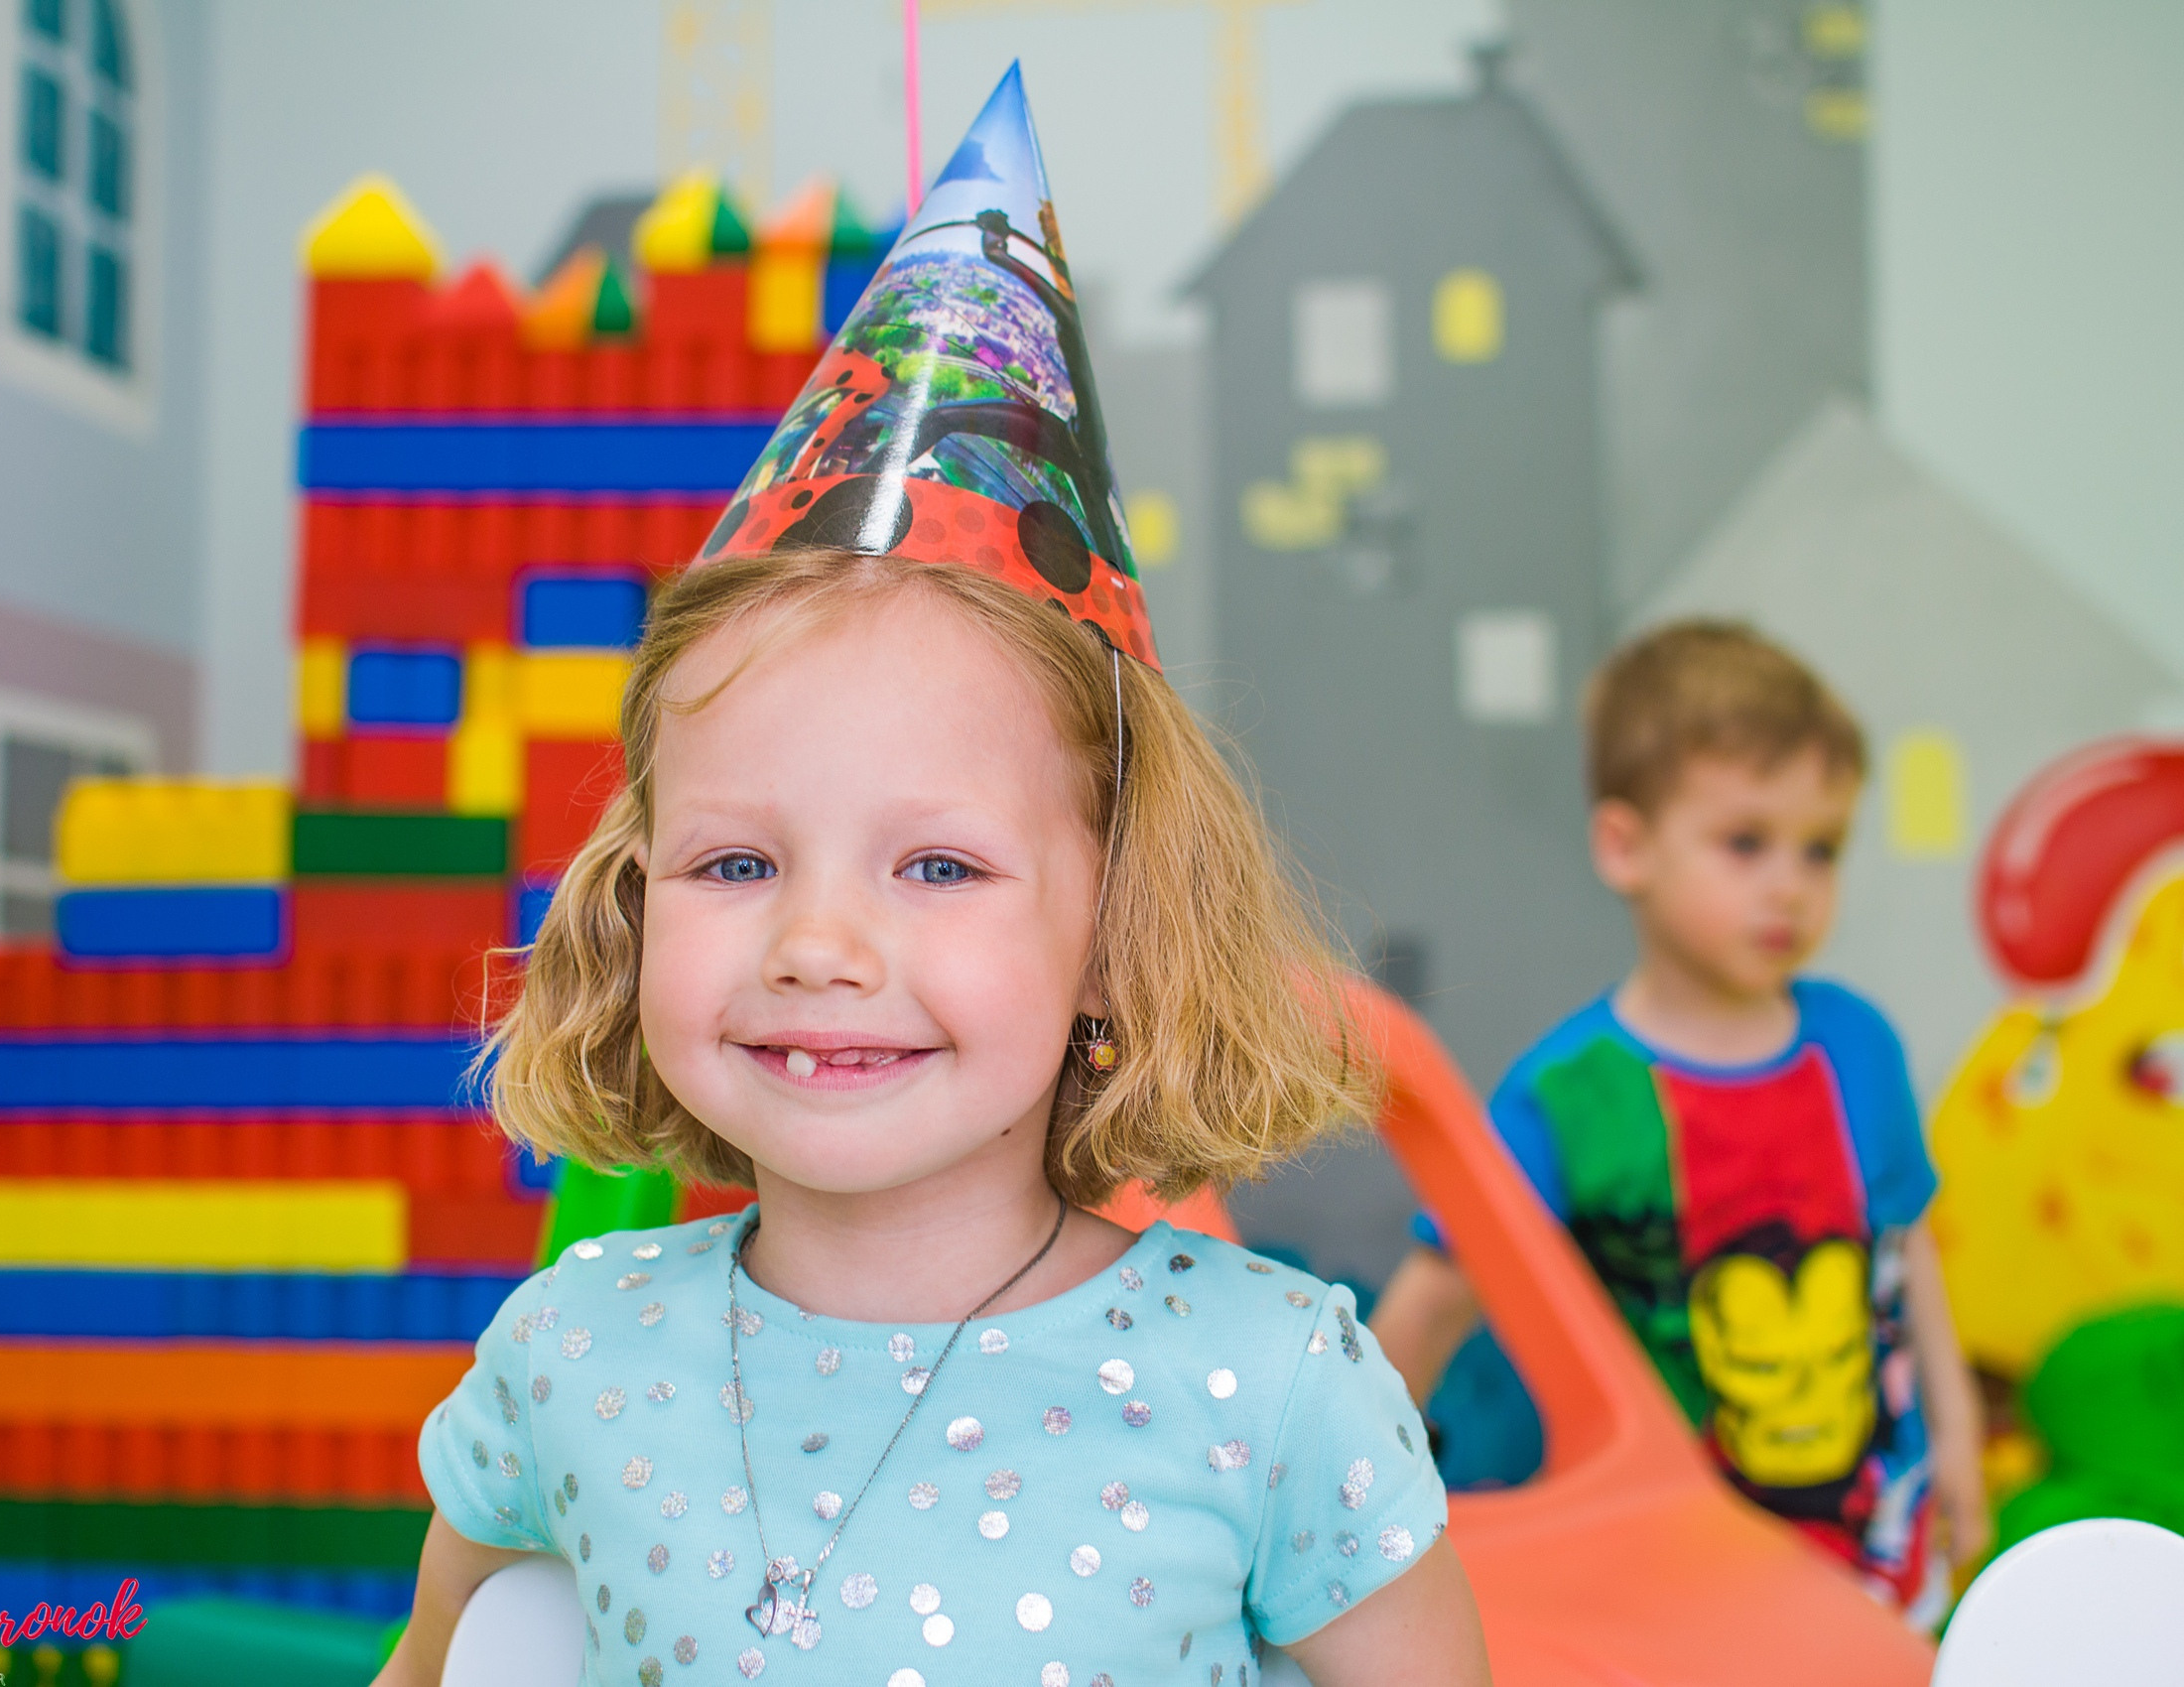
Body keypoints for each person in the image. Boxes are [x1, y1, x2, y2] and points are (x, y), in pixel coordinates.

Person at [374, 546, 1488, 1687]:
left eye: (940, 866)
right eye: (738, 860)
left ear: (1112, 934)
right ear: (633, 902)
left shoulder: (1273, 1379)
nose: (816, 946)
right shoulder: (567, 1349)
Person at [1368, 621, 1988, 1623]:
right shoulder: (1567, 1094)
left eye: (1819, 845)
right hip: (1671, 1572)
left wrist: (1956, 1436)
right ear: (1626, 845)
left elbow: (1907, 1256)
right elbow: (1434, 1301)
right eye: (1745, 841)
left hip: (1874, 1545)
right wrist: (1335, 1499)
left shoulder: (1859, 1046)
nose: (1789, 882)